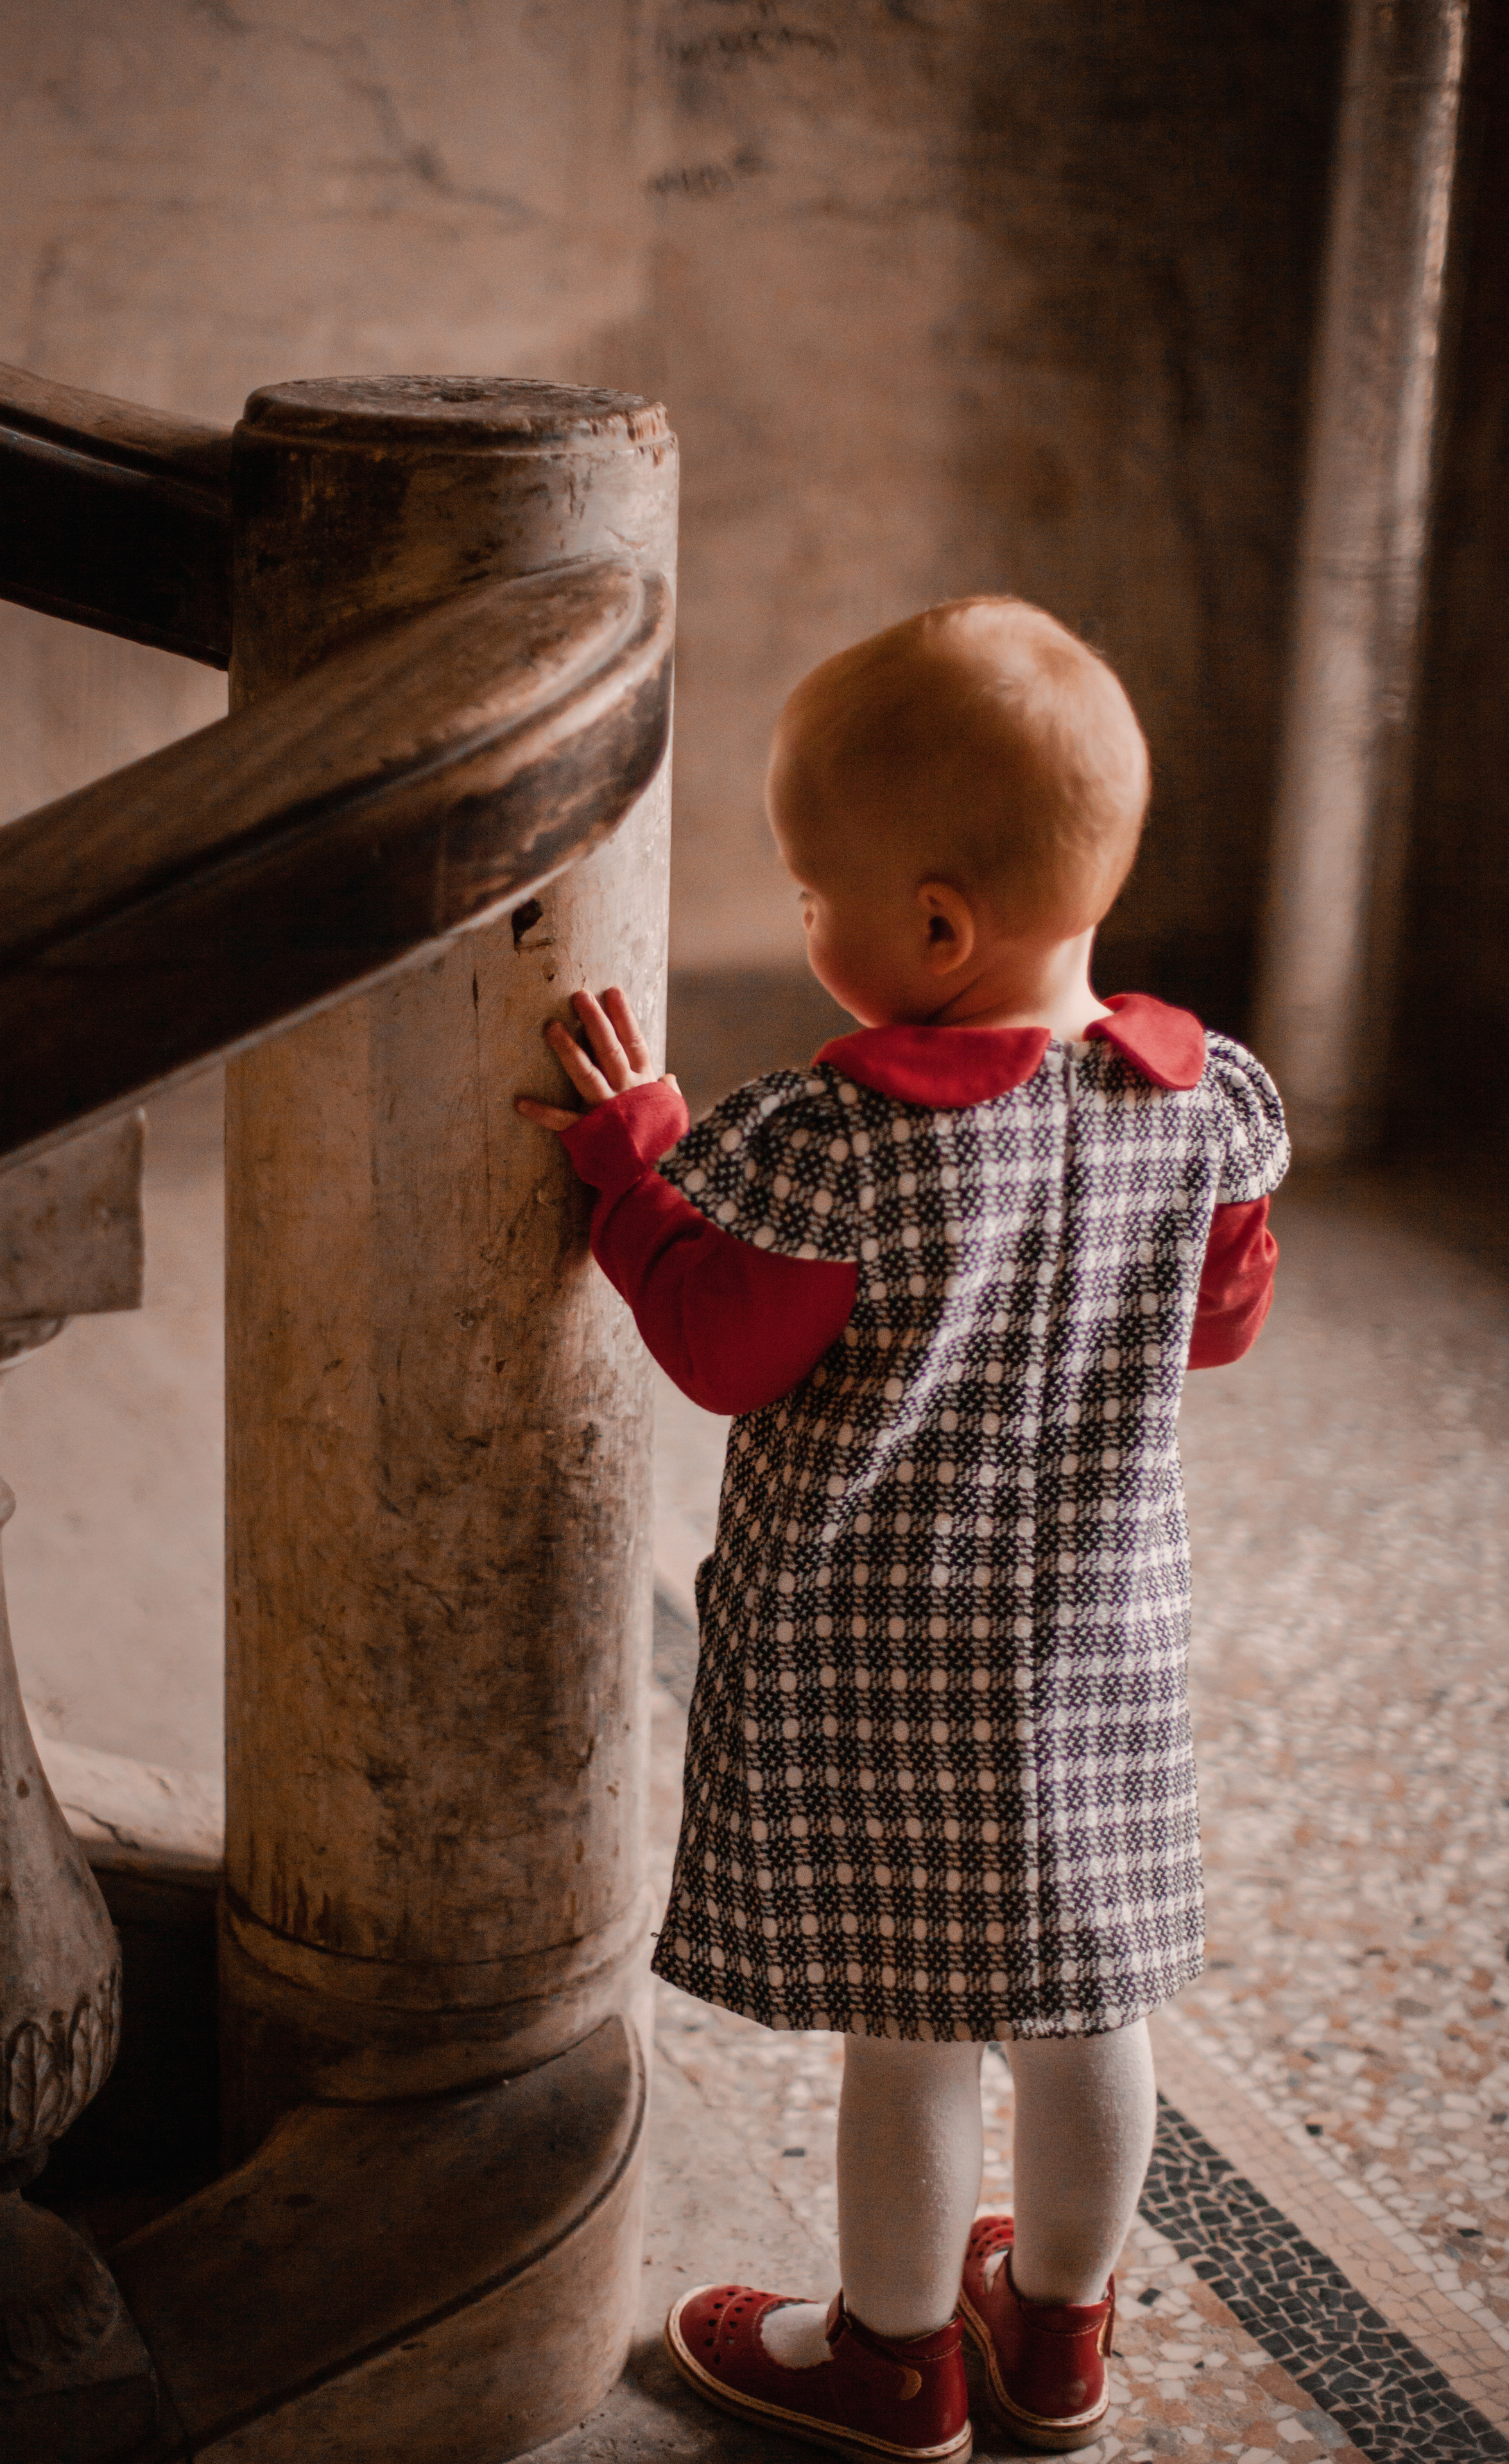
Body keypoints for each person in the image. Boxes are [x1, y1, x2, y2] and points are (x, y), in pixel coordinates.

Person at [515, 597, 1287, 2460]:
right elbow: (1221, 1322)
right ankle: (1060, 2340)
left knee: (920, 2031)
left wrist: (632, 1173)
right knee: (1094, 2003)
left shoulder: (839, 1141)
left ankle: (886, 2351)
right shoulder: (1207, 1104)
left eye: (808, 893)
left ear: (935, 926)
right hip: (1101, 1648)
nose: (801, 924)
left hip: (893, 1661)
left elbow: (718, 1345)